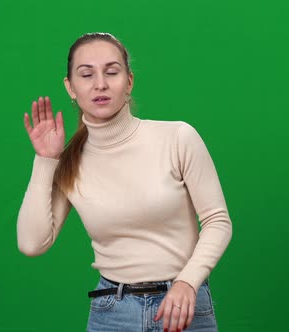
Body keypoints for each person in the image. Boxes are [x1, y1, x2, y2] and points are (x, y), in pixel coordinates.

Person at [17, 32, 232, 332]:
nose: (100, 84)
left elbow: (218, 221)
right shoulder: (70, 161)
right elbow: (31, 243)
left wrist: (188, 281)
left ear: (129, 81)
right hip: (113, 313)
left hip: (183, 306)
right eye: (86, 74)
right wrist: (45, 161)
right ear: (70, 87)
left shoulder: (177, 138)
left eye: (112, 71)